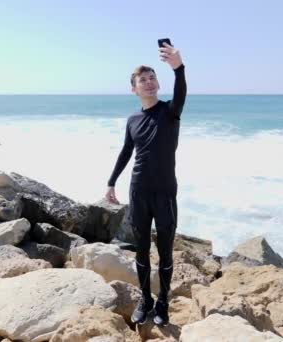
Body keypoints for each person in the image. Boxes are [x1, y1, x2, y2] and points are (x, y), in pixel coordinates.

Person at [105, 42, 186, 326]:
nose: (149, 83)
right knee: (141, 250)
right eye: (143, 80)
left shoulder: (170, 112)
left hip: (165, 193)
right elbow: (126, 152)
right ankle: (145, 299)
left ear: (158, 83)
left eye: (152, 78)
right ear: (134, 89)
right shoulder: (133, 120)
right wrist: (111, 182)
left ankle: (163, 301)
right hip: (138, 191)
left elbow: (181, 93)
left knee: (164, 251)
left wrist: (178, 68)